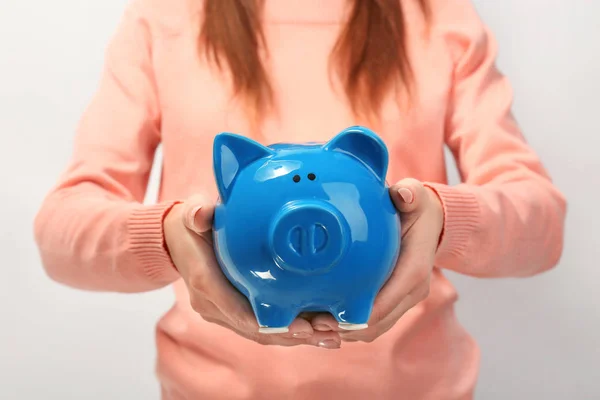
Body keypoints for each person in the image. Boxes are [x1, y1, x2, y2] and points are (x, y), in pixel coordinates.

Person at [33, 0, 567, 398]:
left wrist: (445, 219)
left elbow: (541, 226)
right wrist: (168, 237)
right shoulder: (165, 21)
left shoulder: (437, 21)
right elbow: (61, 232)